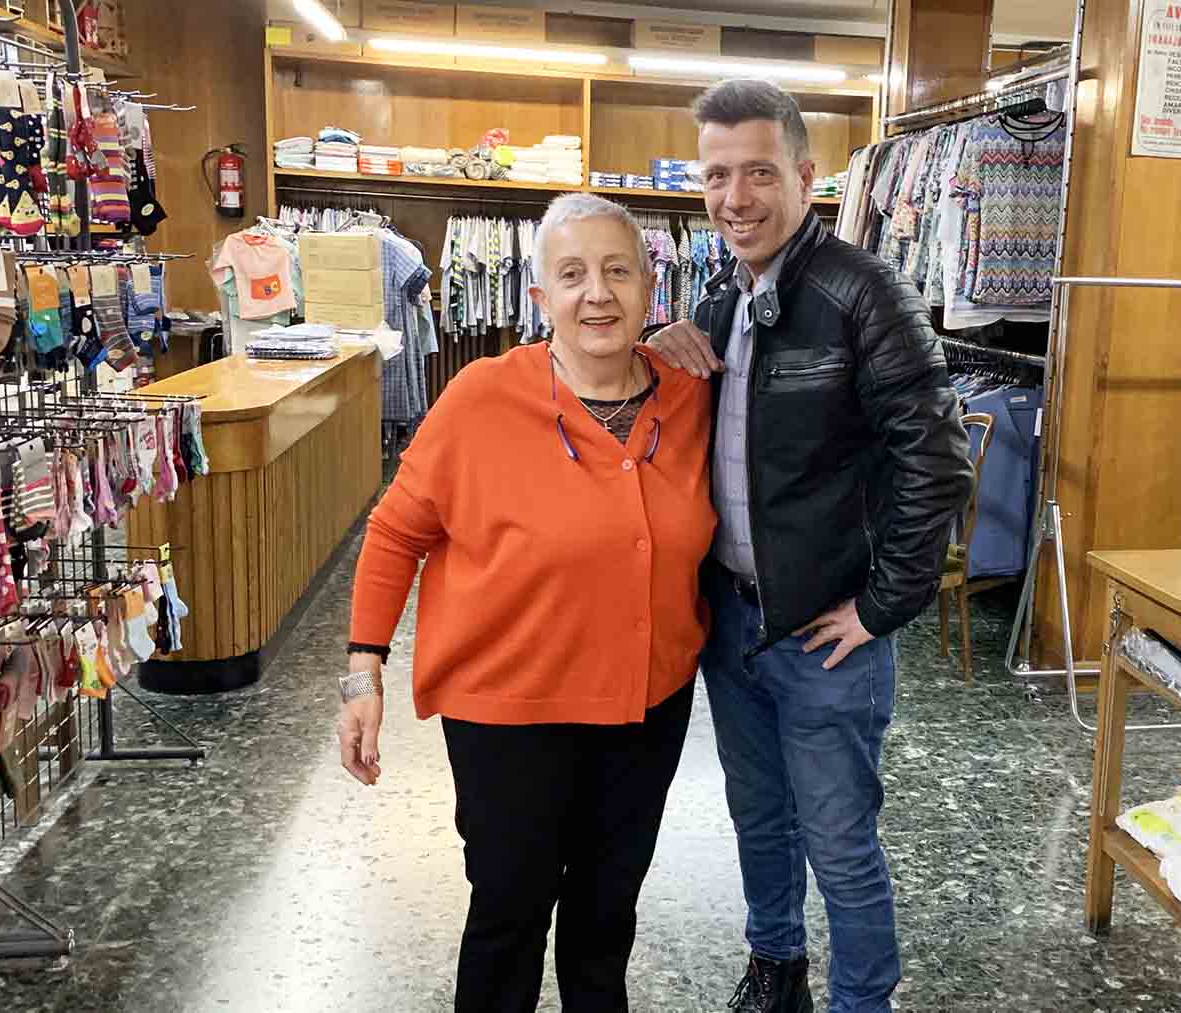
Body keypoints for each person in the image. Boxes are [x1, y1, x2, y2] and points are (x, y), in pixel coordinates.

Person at [337, 192, 716, 1012]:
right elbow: (396, 532)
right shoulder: (481, 398)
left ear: (653, 287)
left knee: (607, 912)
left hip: (645, 707)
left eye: (619, 271)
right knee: (509, 910)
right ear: (539, 298)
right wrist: (362, 675)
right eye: (572, 274)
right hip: (509, 711)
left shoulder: (690, 397)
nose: (598, 293)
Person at [647, 79, 975, 1013]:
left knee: (838, 838)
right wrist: (663, 347)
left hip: (826, 633)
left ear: (804, 174)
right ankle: (776, 968)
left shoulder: (863, 293)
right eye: (716, 176)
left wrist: (880, 608)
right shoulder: (723, 297)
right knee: (758, 817)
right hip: (736, 625)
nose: (735, 197)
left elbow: (939, 464)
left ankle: (861, 1000)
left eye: (757, 172)